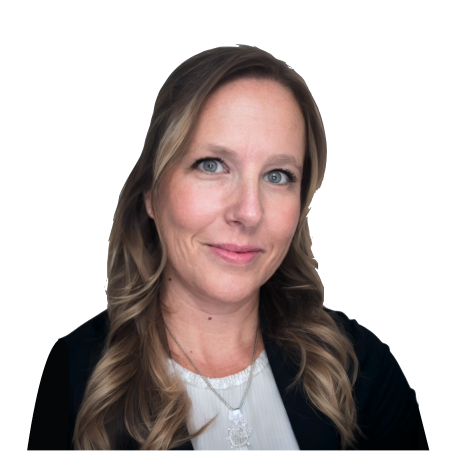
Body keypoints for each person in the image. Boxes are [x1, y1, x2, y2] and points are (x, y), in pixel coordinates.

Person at [27, 45, 429, 451]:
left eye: (277, 175)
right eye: (212, 165)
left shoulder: (359, 367)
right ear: (150, 191)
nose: (249, 212)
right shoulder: (73, 379)